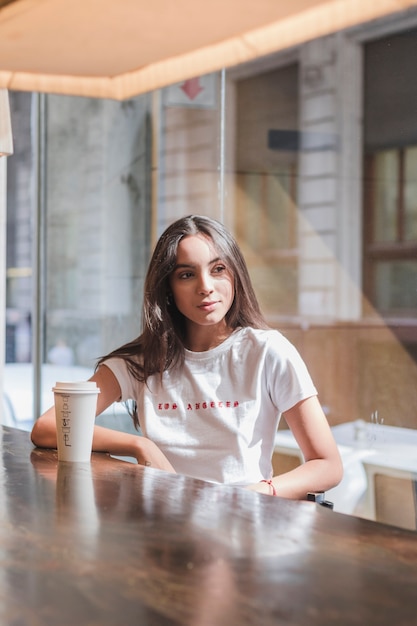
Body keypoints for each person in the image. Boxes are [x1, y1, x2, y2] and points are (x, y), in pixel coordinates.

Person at [31, 215, 343, 498]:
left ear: (235, 274)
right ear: (168, 289)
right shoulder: (143, 361)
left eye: (218, 269)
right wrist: (140, 445)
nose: (206, 287)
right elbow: (49, 426)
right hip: (163, 528)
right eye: (186, 275)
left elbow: (327, 464)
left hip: (243, 526)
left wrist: (256, 494)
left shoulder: (269, 352)